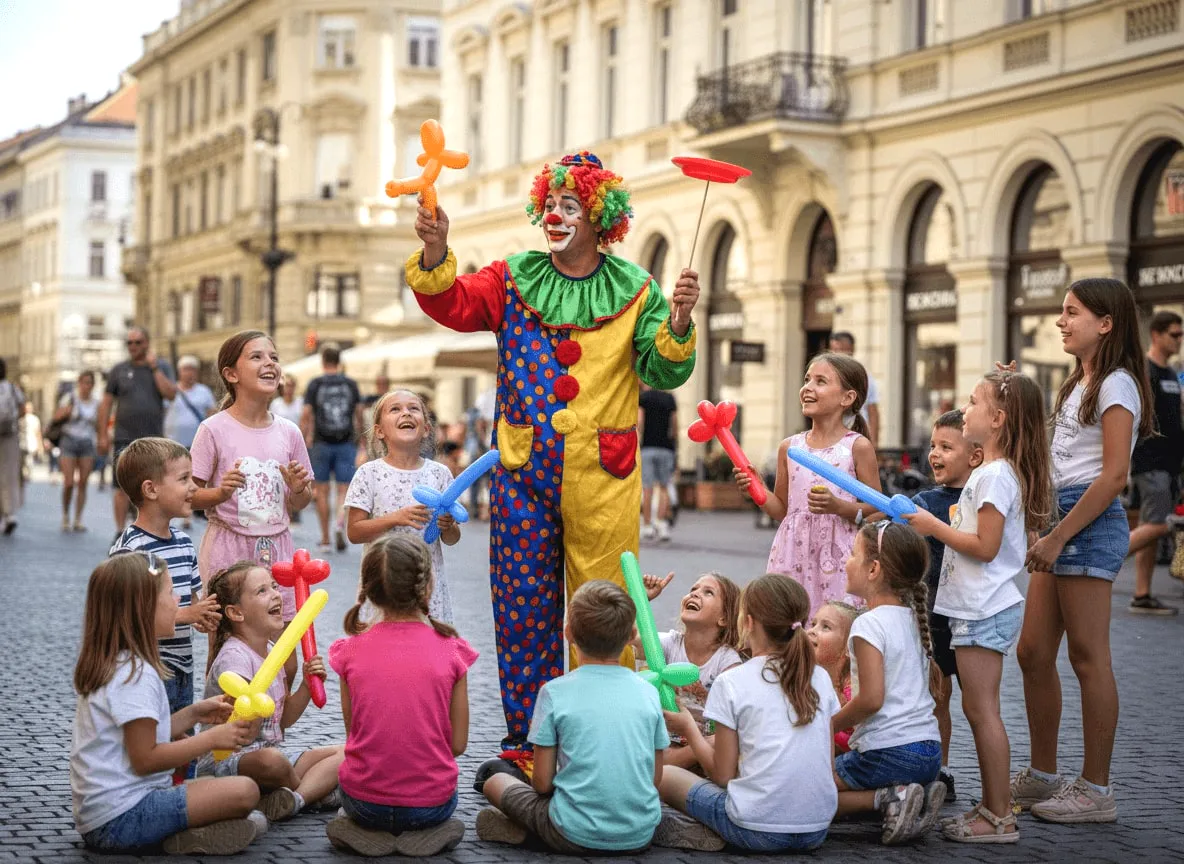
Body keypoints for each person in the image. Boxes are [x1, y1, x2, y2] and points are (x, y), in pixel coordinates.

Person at [406, 150, 700, 768]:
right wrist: (437, 251)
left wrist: (678, 319)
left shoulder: (637, 288)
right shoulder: (514, 277)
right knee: (521, 607)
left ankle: (606, 742)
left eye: (571, 206)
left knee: (606, 607)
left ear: (599, 217)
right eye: (550, 204)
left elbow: (661, 369)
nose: (555, 215)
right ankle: (528, 742)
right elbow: (452, 304)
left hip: (604, 474)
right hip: (522, 474)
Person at [1014, 278, 1153, 824]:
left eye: (1072, 313)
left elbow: (1114, 475)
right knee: (1031, 652)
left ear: (1106, 323)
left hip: (1087, 524)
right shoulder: (1079, 381)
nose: (1060, 322)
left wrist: (1058, 533)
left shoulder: (1118, 384)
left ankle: (1097, 789)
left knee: (1088, 657)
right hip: (1062, 518)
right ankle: (1045, 776)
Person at [907, 372, 1051, 843]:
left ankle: (997, 815)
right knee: (976, 707)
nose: (964, 409)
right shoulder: (996, 472)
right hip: (977, 606)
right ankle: (994, 808)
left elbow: (984, 547)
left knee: (982, 710)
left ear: (997, 419)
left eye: (973, 402)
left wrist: (932, 524)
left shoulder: (992, 476)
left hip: (982, 607)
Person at [70, 553, 261, 855]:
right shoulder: (135, 675)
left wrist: (193, 713)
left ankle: (189, 832)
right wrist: (210, 739)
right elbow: (146, 758)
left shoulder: (121, 665)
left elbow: (142, 736)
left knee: (231, 794)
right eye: (170, 593)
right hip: (123, 818)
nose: (178, 601)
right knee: (246, 791)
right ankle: (180, 837)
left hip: (108, 815)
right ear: (143, 608)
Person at [475, 580, 672, 854]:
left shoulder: (554, 693)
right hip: (639, 835)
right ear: (631, 636)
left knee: (495, 781)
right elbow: (653, 779)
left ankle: (523, 834)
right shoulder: (648, 692)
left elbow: (542, 784)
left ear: (568, 633)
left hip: (571, 831)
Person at [656, 574, 837, 853]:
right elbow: (828, 763)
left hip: (755, 831)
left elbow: (722, 776)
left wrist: (688, 728)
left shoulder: (733, 681)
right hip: (817, 829)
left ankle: (699, 828)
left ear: (748, 622)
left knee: (665, 775)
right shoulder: (820, 677)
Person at [325, 535, 475, 857]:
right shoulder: (452, 651)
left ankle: (357, 830)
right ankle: (432, 833)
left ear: (367, 588)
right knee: (436, 809)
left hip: (365, 804)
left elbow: (355, 734)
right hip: (430, 805)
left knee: (348, 805)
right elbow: (458, 745)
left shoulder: (348, 651)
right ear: (427, 586)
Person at [196, 561, 343, 822]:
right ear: (236, 613)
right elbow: (240, 733)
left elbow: (282, 719)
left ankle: (296, 798)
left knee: (348, 752)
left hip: (274, 755)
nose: (276, 594)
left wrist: (307, 687)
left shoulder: (274, 650)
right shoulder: (234, 658)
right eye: (262, 591)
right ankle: (312, 792)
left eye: (274, 586)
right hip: (230, 761)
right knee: (271, 761)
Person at [737, 352, 880, 616]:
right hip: (791, 555)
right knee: (788, 624)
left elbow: (879, 509)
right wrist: (757, 490)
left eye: (821, 381)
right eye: (807, 379)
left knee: (833, 626)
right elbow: (782, 510)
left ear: (847, 398)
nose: (807, 388)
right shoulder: (789, 447)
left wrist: (839, 507)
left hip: (838, 558)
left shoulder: (856, 447)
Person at [831, 521, 945, 845]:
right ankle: (911, 796)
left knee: (810, 792)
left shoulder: (867, 624)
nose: (846, 561)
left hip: (888, 753)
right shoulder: (912, 618)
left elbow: (871, 700)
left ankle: (888, 798)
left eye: (853, 555)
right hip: (930, 753)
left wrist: (830, 724)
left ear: (874, 569)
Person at [189, 331, 314, 625]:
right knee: (225, 641)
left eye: (274, 357)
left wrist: (298, 490)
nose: (269, 363)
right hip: (228, 550)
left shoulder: (289, 432)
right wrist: (220, 493)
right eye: (256, 357)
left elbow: (301, 500)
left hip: (278, 550)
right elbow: (188, 496)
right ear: (231, 374)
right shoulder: (213, 429)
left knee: (284, 648)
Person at [110, 438, 221, 720]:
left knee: (183, 745)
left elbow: (193, 603)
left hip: (183, 667)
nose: (194, 488)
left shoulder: (184, 543)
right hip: (147, 670)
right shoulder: (131, 549)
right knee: (156, 743)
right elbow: (127, 619)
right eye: (184, 479)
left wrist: (203, 616)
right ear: (151, 489)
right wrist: (187, 615)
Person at [905, 409, 982, 800]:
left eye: (946, 447)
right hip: (932, 615)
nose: (934, 454)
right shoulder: (924, 500)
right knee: (938, 696)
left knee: (979, 701)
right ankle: (941, 770)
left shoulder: (984, 496)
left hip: (972, 614)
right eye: (932, 446)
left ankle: (991, 785)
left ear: (975, 456)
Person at [344, 389, 458, 622]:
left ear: (426, 428)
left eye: (413, 409)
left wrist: (448, 525)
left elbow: (452, 538)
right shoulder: (369, 473)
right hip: (383, 584)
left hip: (426, 585)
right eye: (395, 409)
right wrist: (395, 518)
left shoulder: (440, 474)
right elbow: (354, 532)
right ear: (379, 431)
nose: (405, 413)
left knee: (426, 649)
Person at [641, 571, 742, 769]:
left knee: (716, 741)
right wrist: (642, 600)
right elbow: (628, 636)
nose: (695, 594)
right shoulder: (671, 643)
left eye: (708, 592)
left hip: (704, 747)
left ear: (723, 618)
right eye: (693, 589)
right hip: (666, 740)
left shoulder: (727, 661)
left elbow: (732, 720)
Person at [1125, 310, 1183, 615]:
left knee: (1153, 525)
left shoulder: (1172, 374)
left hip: (1171, 464)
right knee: (1156, 525)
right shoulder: (1145, 371)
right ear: (1157, 335)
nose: (1179, 340)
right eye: (1175, 334)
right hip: (1151, 462)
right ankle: (1101, 562)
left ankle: (1142, 593)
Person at [97, 326, 178, 539]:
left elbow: (170, 394)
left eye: (138, 342)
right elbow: (106, 404)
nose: (133, 347)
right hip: (124, 436)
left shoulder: (161, 366)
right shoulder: (119, 370)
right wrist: (102, 435)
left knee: (154, 485)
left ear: (147, 343)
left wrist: (154, 369)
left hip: (153, 439)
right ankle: (119, 531)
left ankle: (153, 530)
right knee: (121, 485)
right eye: (129, 343)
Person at [301, 346, 364, 553]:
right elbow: (359, 413)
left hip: (321, 443)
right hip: (346, 442)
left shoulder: (315, 384)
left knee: (322, 491)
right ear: (339, 361)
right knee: (343, 490)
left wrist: (303, 439)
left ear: (323, 361)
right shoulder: (350, 384)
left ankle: (326, 538)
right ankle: (339, 524)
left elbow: (307, 414)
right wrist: (361, 438)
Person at [807, 600, 860, 753]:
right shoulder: (809, 677)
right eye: (813, 624)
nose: (812, 631)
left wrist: (820, 729)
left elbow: (856, 740)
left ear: (848, 648)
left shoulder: (852, 689)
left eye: (826, 627)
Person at [54, 370, 101, 532]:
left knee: (83, 482)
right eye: (83, 382)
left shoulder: (96, 403)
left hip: (87, 443)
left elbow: (99, 425)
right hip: (69, 441)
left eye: (89, 383)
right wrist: (65, 412)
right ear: (79, 383)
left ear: (93, 385)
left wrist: (102, 439)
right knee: (68, 483)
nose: (86, 386)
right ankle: (66, 515)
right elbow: (56, 417)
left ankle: (78, 519)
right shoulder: (70, 398)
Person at [639, 382, 678, 542]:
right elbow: (675, 425)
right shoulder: (670, 398)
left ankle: (647, 526)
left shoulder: (643, 398)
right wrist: (674, 445)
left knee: (647, 488)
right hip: (666, 448)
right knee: (664, 486)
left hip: (647, 447)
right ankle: (662, 525)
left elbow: (639, 422)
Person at [830, 331, 880, 446]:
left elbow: (873, 410)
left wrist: (874, 443)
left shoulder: (864, 376)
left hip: (858, 436)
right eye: (833, 350)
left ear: (851, 349)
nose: (836, 354)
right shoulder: (828, 376)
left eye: (840, 349)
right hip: (834, 437)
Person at [164, 356, 216, 451]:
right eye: (186, 369)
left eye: (193, 370)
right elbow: (163, 412)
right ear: (179, 371)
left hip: (198, 444)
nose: (189, 373)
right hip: (173, 444)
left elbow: (211, 414)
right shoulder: (171, 390)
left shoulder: (204, 391)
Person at [0, 358, 24, 535]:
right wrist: (14, 421)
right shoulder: (11, 387)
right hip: (9, 435)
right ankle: (10, 514)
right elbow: (23, 408)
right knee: (9, 475)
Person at [19, 401, 42, 477]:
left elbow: (38, 433)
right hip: (21, 444)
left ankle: (25, 476)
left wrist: (40, 446)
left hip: (30, 445)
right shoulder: (20, 419)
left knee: (27, 463)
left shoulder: (34, 419)